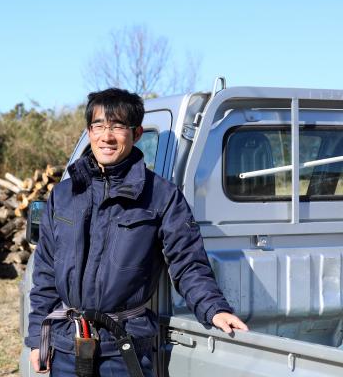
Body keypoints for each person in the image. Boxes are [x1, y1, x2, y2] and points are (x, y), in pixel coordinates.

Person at [25, 88, 248, 376]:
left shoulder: (161, 197)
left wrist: (214, 308)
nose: (107, 136)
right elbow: (44, 273)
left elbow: (187, 263)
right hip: (67, 344)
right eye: (99, 126)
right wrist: (37, 341)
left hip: (124, 347)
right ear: (89, 131)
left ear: (137, 132)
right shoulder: (65, 194)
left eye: (118, 126)